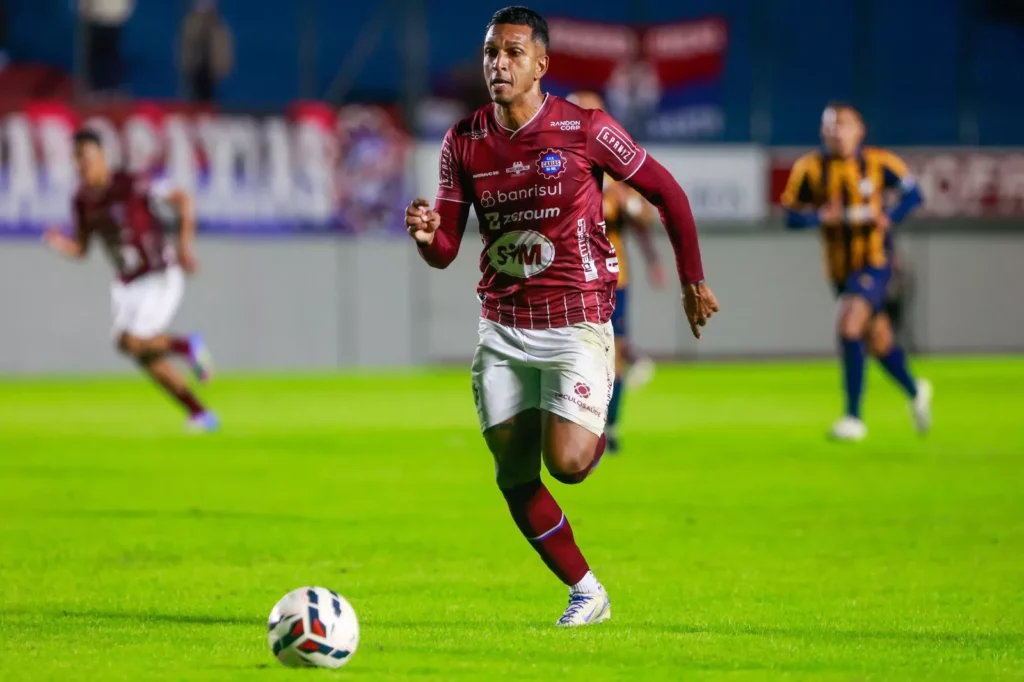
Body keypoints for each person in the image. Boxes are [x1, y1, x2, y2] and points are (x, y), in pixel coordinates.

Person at [405, 6, 718, 627]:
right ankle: (586, 592)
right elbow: (444, 252)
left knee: (568, 464)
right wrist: (426, 234)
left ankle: (598, 401)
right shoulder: (462, 140)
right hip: (501, 327)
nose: (499, 63)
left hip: (575, 320)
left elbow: (667, 192)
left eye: (513, 52)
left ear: (541, 64)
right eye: (491, 52)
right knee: (515, 476)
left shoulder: (586, 128)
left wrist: (692, 281)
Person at [44, 129, 218, 432]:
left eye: (87, 157)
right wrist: (60, 243)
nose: (82, 165)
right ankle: (200, 413)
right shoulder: (82, 199)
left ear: (102, 157)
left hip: (157, 272)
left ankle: (187, 346)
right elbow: (82, 249)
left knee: (132, 341)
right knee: (137, 351)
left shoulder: (132, 183)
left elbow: (182, 198)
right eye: (77, 159)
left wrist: (184, 248)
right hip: (127, 282)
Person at [781, 102, 931, 442]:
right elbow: (789, 214)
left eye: (844, 124)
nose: (837, 132)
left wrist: (890, 217)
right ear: (822, 132)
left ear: (859, 129)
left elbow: (913, 194)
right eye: (831, 126)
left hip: (875, 261)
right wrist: (820, 217)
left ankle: (853, 417)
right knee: (878, 340)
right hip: (839, 269)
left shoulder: (879, 163)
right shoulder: (809, 168)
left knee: (849, 325)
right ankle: (915, 390)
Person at [566, 90, 667, 454]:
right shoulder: (555, 164)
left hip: (611, 278)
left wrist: (652, 258)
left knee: (613, 353)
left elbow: (643, 217)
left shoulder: (617, 167)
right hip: (566, 277)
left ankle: (609, 426)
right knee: (572, 354)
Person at [180, 0, 234, 103]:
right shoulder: (192, 23)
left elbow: (222, 46)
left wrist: (222, 67)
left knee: (210, 96)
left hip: (211, 70)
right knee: (194, 95)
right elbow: (189, 42)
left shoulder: (218, 25)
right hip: (195, 68)